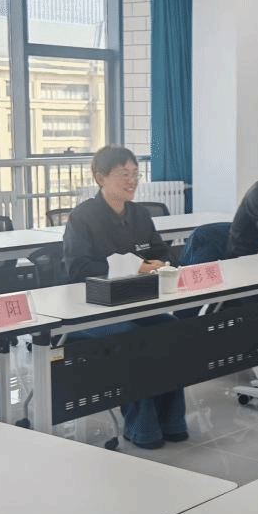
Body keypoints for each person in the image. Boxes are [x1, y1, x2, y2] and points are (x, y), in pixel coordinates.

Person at [63, 145, 189, 449]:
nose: (132, 181)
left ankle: (172, 421)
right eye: (124, 175)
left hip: (135, 303)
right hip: (91, 312)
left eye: (135, 174)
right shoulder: (82, 217)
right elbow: (78, 269)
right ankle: (142, 427)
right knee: (133, 337)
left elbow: (162, 253)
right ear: (100, 178)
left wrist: (161, 263)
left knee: (171, 328)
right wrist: (135, 266)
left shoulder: (140, 214)